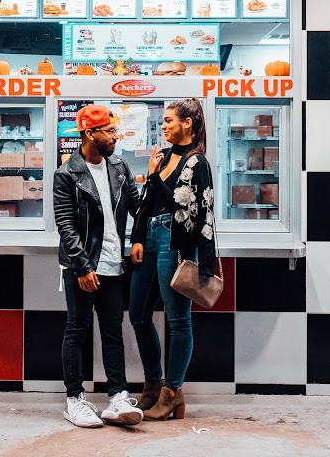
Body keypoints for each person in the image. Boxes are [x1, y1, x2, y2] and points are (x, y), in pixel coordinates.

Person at [53, 104, 145, 428]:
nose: (115, 136)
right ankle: (74, 400)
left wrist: (138, 238)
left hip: (113, 265)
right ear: (90, 133)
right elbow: (66, 225)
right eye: (109, 131)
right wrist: (82, 267)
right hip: (82, 266)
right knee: (77, 330)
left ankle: (117, 397)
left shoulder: (119, 167)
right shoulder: (67, 174)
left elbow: (138, 208)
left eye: (115, 130)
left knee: (112, 332)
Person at [129, 98, 217, 420]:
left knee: (178, 320)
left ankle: (172, 393)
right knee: (138, 314)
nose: (163, 126)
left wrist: (206, 262)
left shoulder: (197, 162)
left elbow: (192, 212)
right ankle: (153, 384)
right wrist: (137, 237)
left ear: (187, 123)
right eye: (163, 121)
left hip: (175, 240)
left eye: (169, 120)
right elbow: (148, 202)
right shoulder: (164, 156)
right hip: (152, 237)